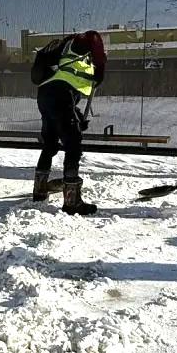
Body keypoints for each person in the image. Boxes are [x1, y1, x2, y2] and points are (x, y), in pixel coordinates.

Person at [34, 29, 106, 215]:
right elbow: (93, 37)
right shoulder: (81, 43)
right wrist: (101, 66)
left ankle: (40, 190)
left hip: (46, 94)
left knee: (50, 144)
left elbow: (69, 103)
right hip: (60, 95)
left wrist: (78, 118)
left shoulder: (64, 50)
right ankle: (72, 201)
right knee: (73, 146)